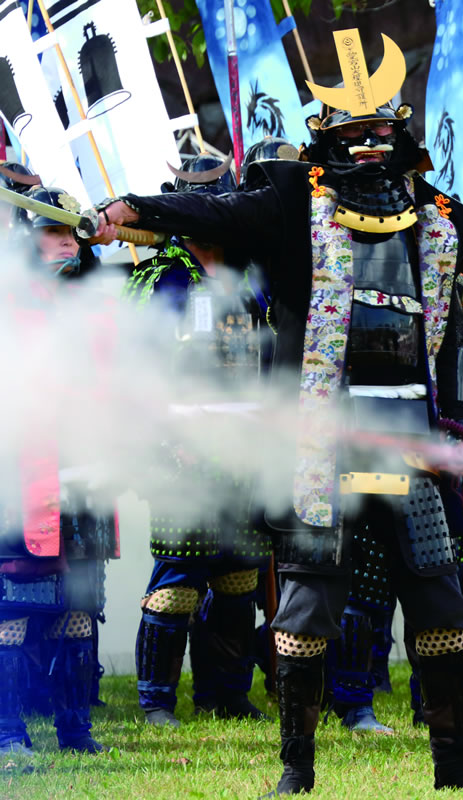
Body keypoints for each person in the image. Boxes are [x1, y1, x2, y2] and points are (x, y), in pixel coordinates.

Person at [90, 33, 463, 793]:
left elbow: (451, 326)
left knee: (440, 600)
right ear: (328, 138)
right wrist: (133, 209)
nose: (370, 146)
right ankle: (296, 770)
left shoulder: (436, 220)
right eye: (353, 134)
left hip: (407, 439)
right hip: (323, 443)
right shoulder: (288, 201)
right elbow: (212, 209)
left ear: (398, 134)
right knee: (307, 604)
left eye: (381, 133)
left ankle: (451, 767)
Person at [124, 152, 273, 727]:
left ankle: (226, 692)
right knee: (179, 580)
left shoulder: (254, 282)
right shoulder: (161, 279)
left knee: (238, 578)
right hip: (182, 448)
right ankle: (156, 700)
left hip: (246, 451)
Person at [0, 188, 117, 756]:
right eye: (54, 231)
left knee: (77, 608)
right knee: (15, 611)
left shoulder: (89, 303)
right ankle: (8, 731)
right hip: (21, 475)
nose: (69, 241)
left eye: (73, 231)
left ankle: (75, 729)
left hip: (83, 469)